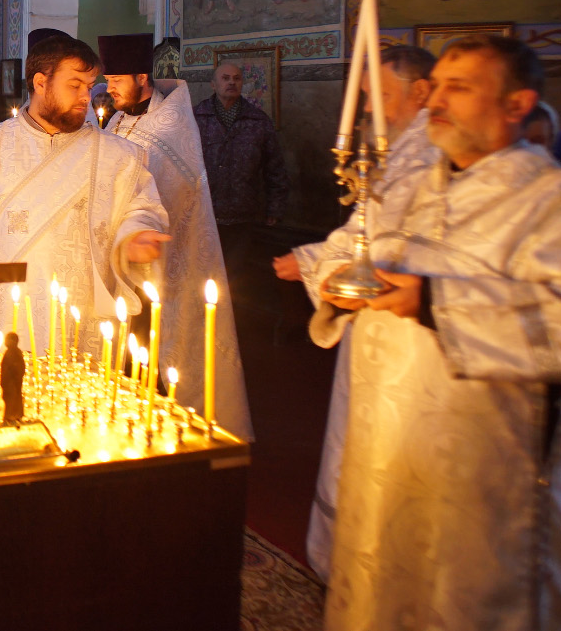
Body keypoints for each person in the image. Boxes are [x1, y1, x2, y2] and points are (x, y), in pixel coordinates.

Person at [311, 35, 561, 630]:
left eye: (459, 87)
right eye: (437, 85)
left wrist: (436, 302)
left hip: (479, 471)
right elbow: (357, 251)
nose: (436, 100)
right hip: (388, 454)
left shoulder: (545, 197)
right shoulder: (422, 185)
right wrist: (335, 282)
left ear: (516, 104)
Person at [272, 43, 438, 581]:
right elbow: (365, 231)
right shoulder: (401, 149)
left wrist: (315, 263)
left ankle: (379, 571)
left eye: (380, 95)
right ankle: (351, 566)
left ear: (419, 91)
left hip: (409, 334)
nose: (369, 109)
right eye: (365, 97)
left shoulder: (429, 152)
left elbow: (381, 244)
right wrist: (314, 259)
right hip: (377, 330)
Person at [0, 32, 171, 361]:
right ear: (41, 82)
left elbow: (139, 208)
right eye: (74, 85)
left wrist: (135, 236)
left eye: (89, 86)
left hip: (82, 317)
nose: (85, 97)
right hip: (3, 318)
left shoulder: (118, 155)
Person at [98, 33, 252, 440]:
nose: (108, 87)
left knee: (154, 355)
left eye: (116, 79)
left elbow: (164, 193)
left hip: (162, 263)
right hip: (121, 259)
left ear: (142, 77)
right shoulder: (117, 119)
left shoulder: (170, 126)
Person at [194, 61, 288, 290]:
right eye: (225, 78)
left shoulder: (258, 121)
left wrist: (275, 207)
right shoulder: (196, 117)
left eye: (236, 78)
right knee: (202, 277)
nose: (231, 82)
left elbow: (274, 167)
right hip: (204, 213)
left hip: (242, 214)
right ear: (213, 84)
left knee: (234, 279)